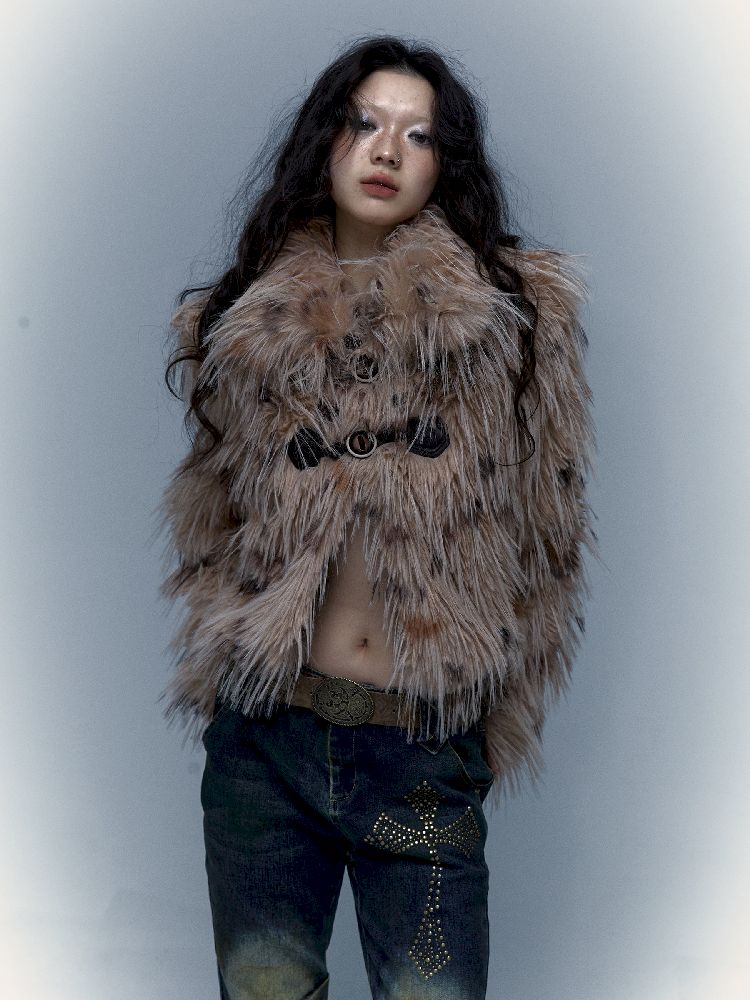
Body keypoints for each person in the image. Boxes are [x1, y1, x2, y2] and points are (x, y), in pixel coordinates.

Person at [157, 33, 596, 1000]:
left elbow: (550, 539)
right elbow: (209, 524)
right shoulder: (244, 325)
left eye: (419, 134)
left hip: (421, 753)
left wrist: (480, 732)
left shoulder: (513, 320)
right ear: (326, 140)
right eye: (364, 123)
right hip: (266, 745)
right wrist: (226, 666)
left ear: (447, 164)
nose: (387, 149)